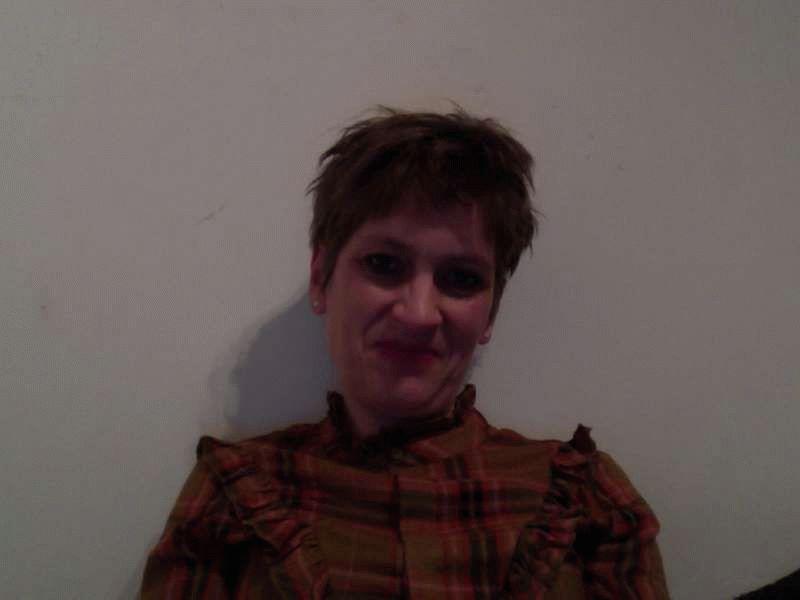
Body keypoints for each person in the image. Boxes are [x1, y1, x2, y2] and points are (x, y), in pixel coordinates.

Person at [140, 108, 669, 598]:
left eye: (461, 279)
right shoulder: (236, 495)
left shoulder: (584, 500)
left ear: (491, 313)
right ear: (321, 278)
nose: (418, 314)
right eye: (384, 265)